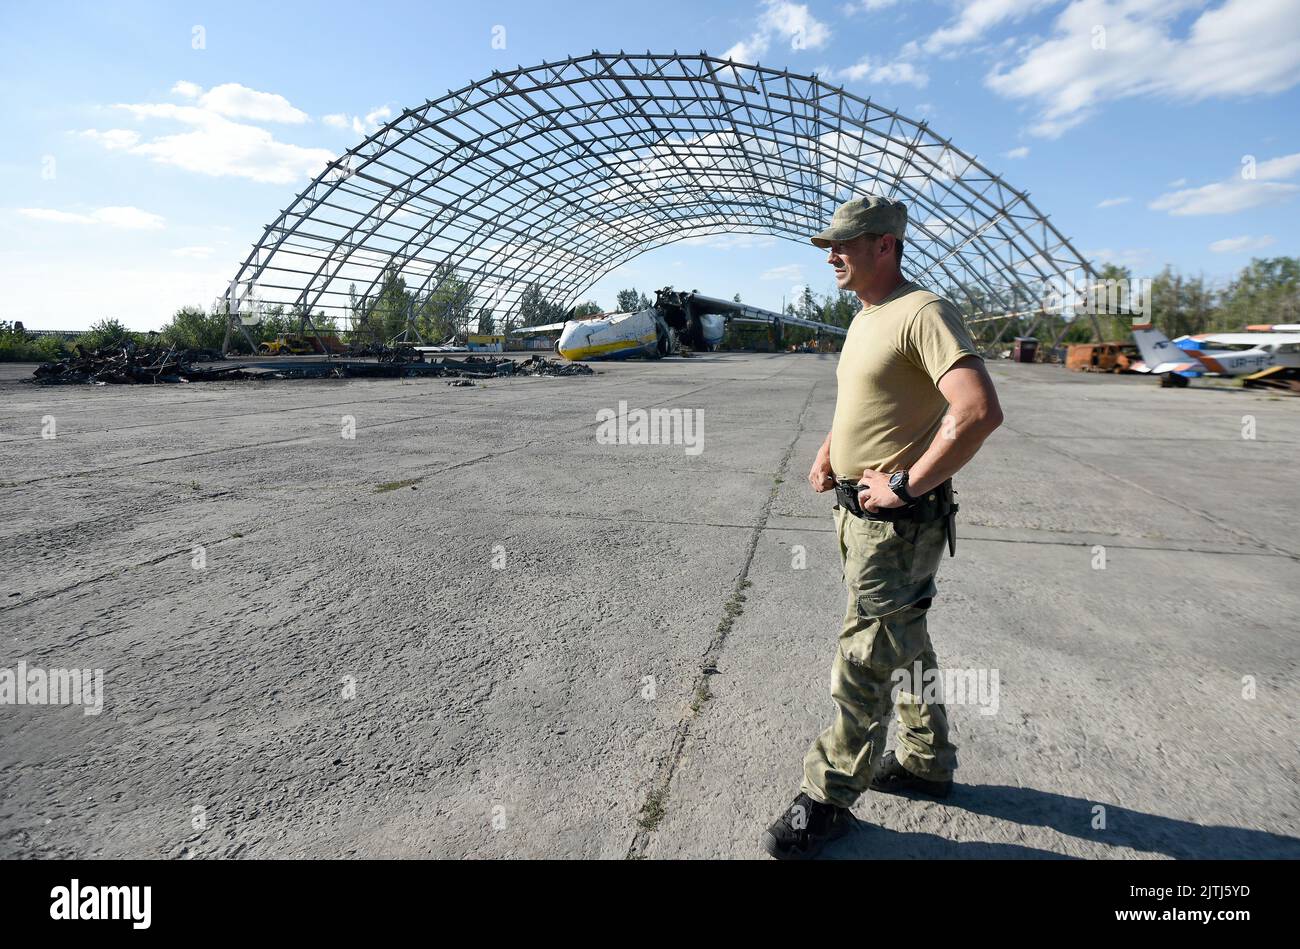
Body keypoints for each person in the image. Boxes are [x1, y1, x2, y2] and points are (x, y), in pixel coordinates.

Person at [763, 195, 1004, 859]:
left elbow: (978, 410)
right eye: (829, 246)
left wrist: (902, 484)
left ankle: (828, 794)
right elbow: (865, 404)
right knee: (906, 637)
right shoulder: (866, 317)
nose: (832, 255)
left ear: (886, 246)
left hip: (894, 527)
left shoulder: (922, 312)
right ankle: (928, 761)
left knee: (866, 653)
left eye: (845, 243)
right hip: (857, 516)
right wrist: (828, 452)